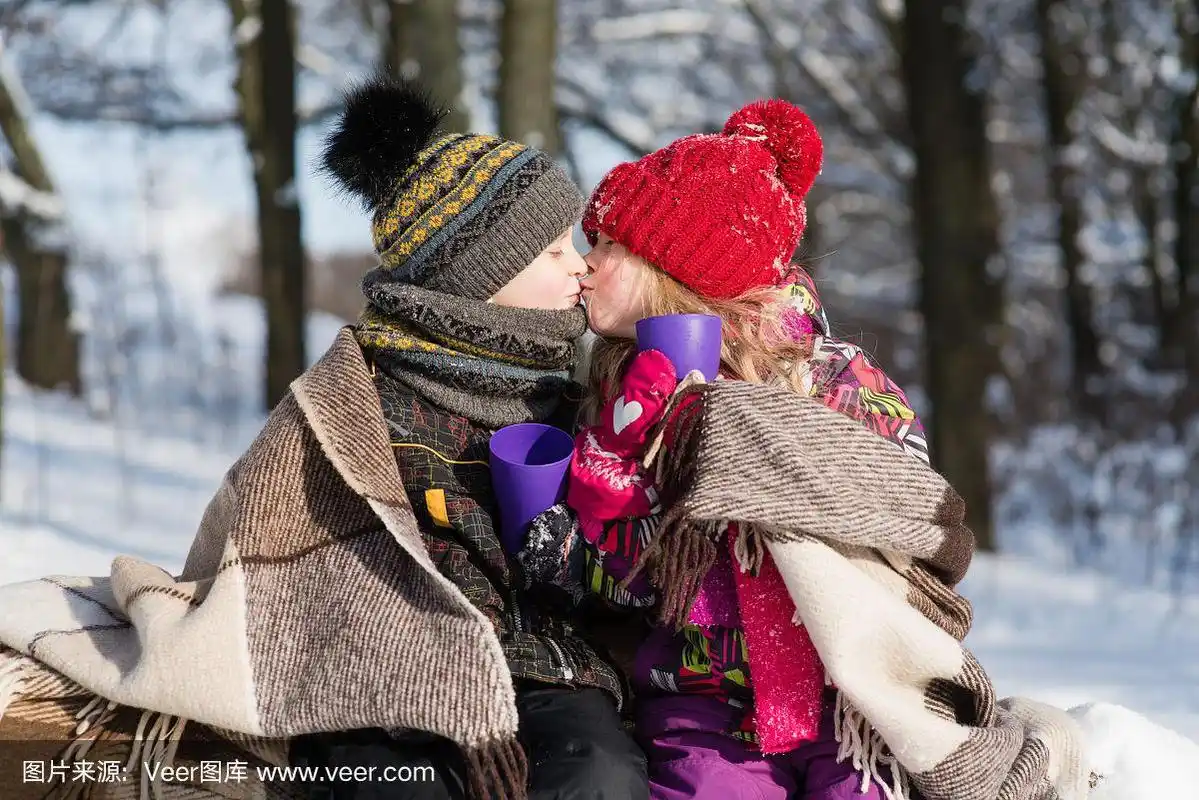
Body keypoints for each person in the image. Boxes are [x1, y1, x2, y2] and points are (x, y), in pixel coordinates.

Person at [523, 98, 1093, 800]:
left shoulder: (833, 380)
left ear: (673, 267)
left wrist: (735, 441)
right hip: (702, 699)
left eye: (608, 244)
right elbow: (632, 585)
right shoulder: (618, 397)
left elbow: (909, 513)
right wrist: (605, 493)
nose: (585, 263)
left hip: (850, 699)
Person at [289, 77, 648, 800]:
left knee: (597, 772)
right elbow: (290, 532)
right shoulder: (358, 393)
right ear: (478, 277)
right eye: (553, 251)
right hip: (387, 664)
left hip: (542, 660)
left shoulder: (575, 397)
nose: (581, 264)